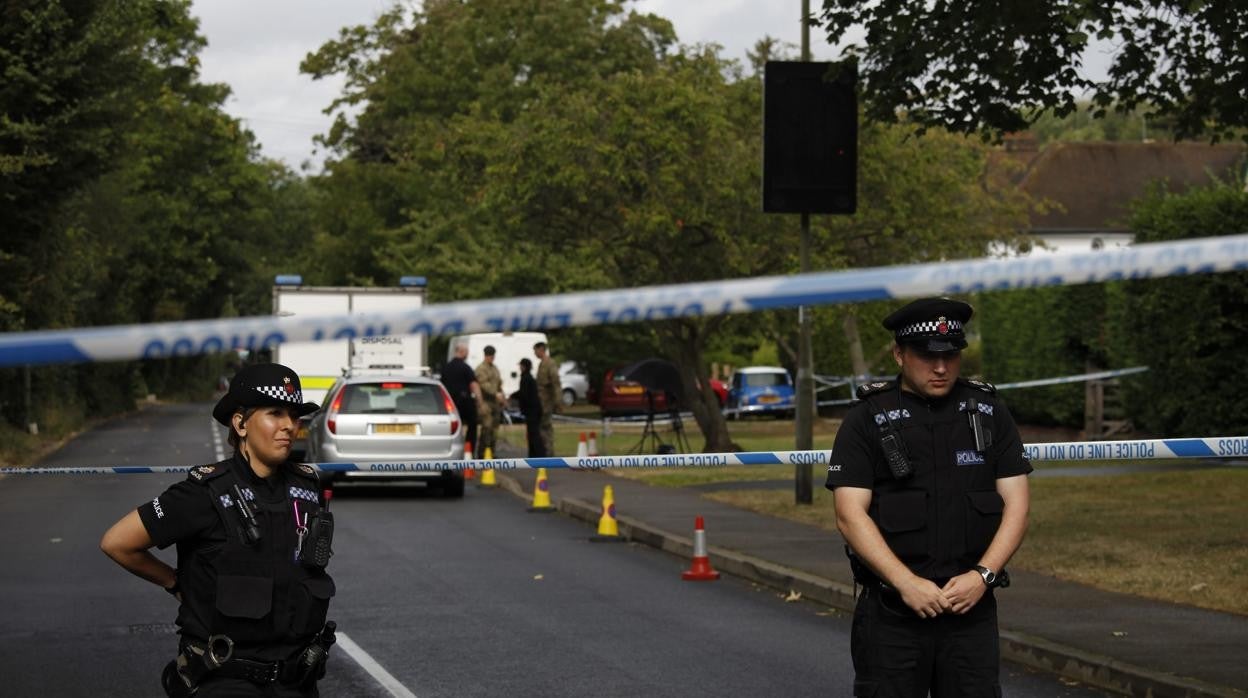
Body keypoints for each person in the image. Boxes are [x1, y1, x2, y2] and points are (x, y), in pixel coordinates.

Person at [824, 297, 1032, 697]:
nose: (941, 367)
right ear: (899, 354)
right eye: (927, 356)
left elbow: (1018, 507)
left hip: (970, 615)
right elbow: (850, 515)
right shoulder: (866, 418)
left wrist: (982, 576)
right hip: (892, 617)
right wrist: (906, 583)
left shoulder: (988, 411)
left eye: (951, 355)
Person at [100, 363, 337, 697]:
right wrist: (174, 582)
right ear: (240, 424)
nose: (289, 426)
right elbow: (118, 542)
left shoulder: (307, 487)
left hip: (296, 682)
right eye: (275, 413)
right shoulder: (205, 492)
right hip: (225, 680)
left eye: (294, 415)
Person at [441, 341, 481, 455]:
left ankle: (451, 449)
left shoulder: (446, 367)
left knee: (451, 427)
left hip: (450, 404)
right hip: (464, 402)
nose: (467, 354)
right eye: (467, 352)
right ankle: (469, 451)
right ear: (462, 352)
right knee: (472, 424)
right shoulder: (466, 367)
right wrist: (480, 401)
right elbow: (474, 385)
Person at [474, 345, 506, 460]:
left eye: (492, 356)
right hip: (486, 402)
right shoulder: (481, 369)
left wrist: (503, 396)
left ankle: (491, 452)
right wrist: (495, 393)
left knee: (494, 429)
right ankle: (482, 454)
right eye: (489, 355)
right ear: (485, 355)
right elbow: (483, 384)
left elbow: (499, 383)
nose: (491, 358)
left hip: (495, 403)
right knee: (487, 428)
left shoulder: (494, 368)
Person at [534, 341, 561, 456]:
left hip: (547, 401)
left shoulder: (550, 364)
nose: (535, 353)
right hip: (541, 401)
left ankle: (548, 451)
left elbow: (556, 383)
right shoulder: (542, 364)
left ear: (541, 350)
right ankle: (544, 450)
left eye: (535, 350)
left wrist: (558, 401)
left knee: (546, 426)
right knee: (542, 426)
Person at [517, 358, 544, 457]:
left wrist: (513, 396)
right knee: (532, 433)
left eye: (521, 365)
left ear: (524, 366)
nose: (520, 367)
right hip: (533, 410)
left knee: (534, 434)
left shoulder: (526, 378)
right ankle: (533, 454)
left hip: (532, 411)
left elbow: (523, 394)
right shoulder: (529, 378)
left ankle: (539, 455)